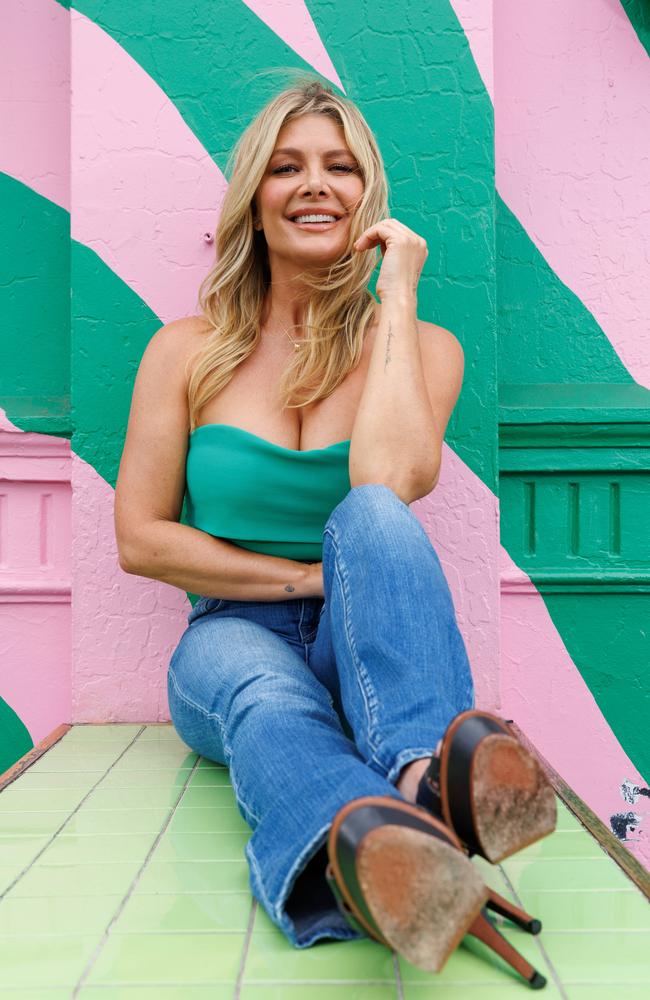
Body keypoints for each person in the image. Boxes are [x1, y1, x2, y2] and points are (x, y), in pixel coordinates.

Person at [115, 76, 555, 985]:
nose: (314, 184)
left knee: (371, 513)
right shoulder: (184, 351)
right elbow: (142, 538)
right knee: (267, 701)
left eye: (340, 167)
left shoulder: (427, 348)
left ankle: (419, 782)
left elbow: (387, 484)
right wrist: (309, 582)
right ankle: (382, 854)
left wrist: (394, 296)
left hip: (377, 645)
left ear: (369, 198)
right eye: (287, 167)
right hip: (231, 635)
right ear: (255, 199)